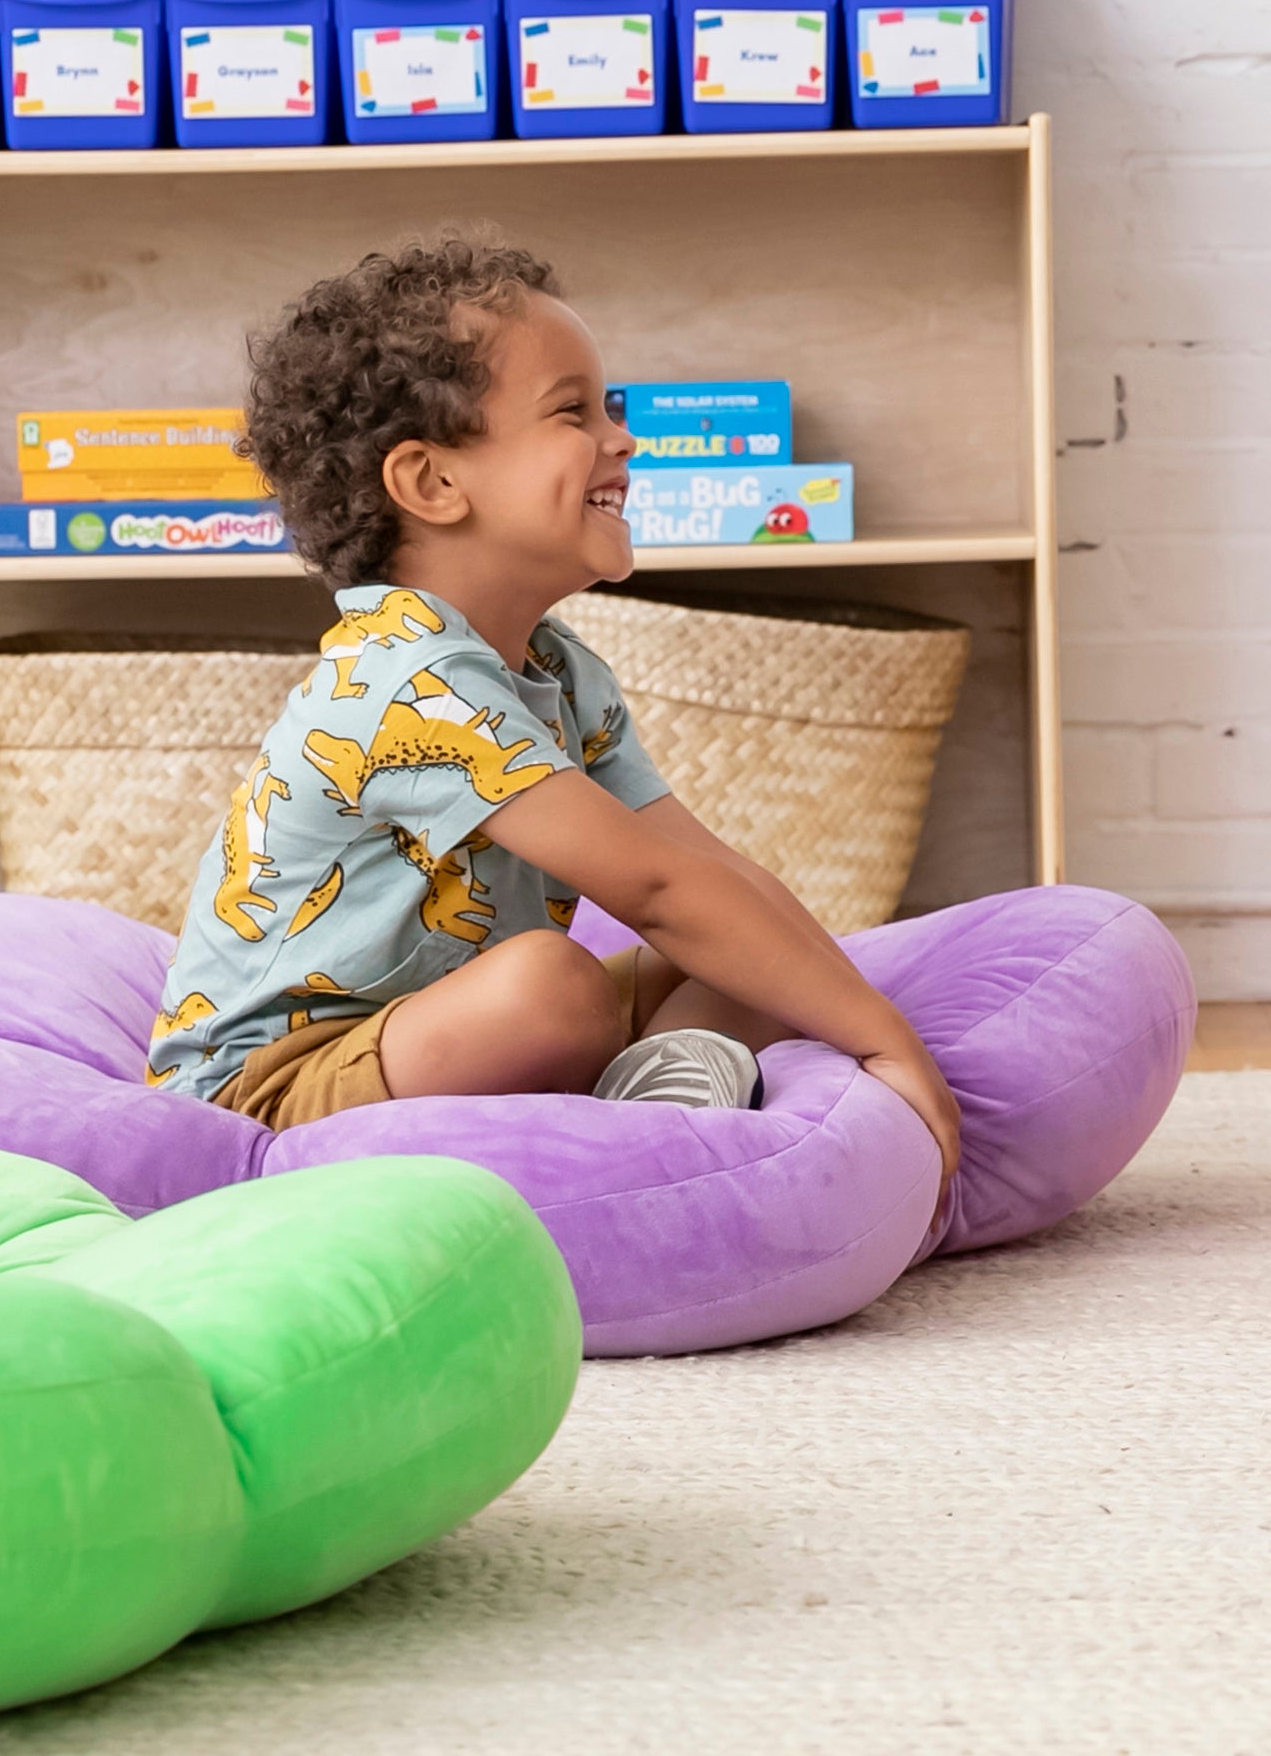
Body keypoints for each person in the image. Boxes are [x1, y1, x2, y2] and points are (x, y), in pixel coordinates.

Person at [146, 235, 965, 1196]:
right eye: (574, 411)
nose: (623, 438)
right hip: (270, 1086)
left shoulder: (556, 667)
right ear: (434, 484)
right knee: (555, 984)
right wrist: (890, 1046)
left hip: (442, 1027)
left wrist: (839, 1002)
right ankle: (613, 1138)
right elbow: (654, 889)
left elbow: (703, 871)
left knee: (751, 967)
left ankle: (626, 1127)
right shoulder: (408, 679)